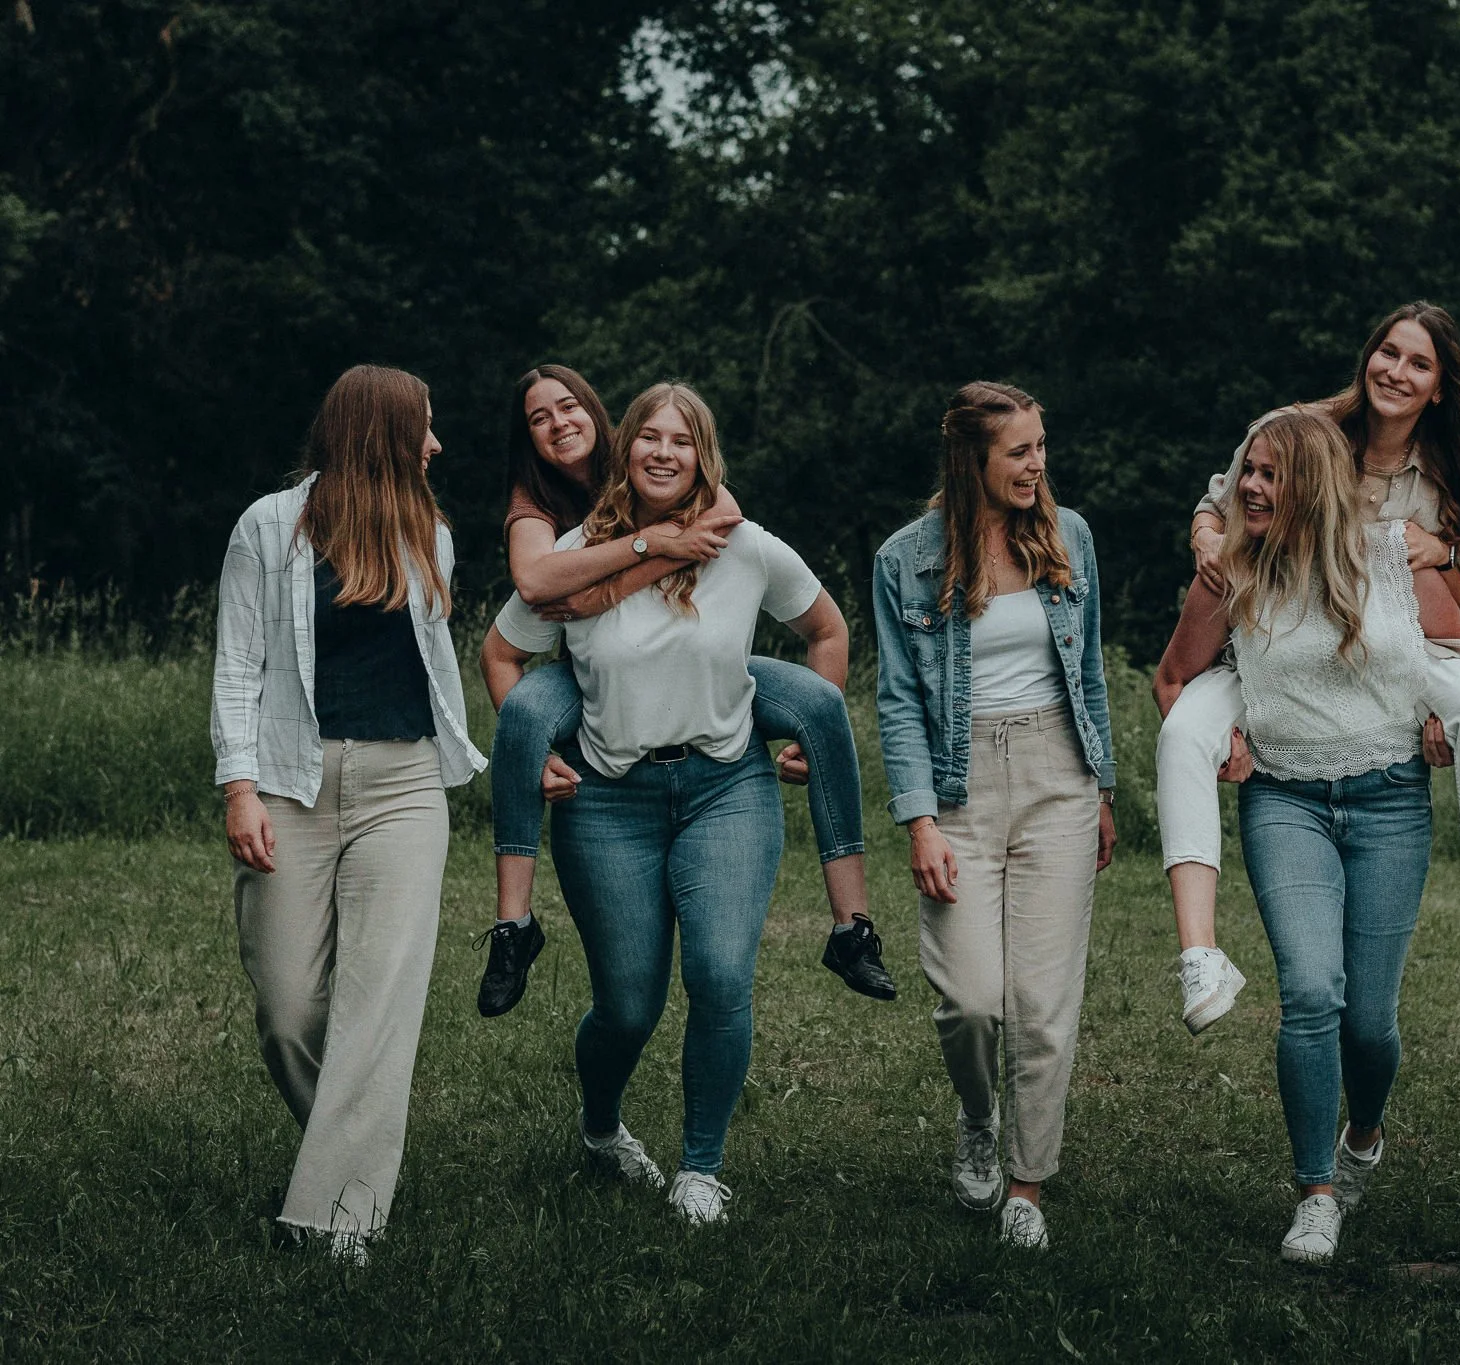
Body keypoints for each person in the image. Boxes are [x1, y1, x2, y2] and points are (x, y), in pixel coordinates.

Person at [481, 381, 851, 1225]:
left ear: (702, 456)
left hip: (727, 787)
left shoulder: (743, 544)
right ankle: (601, 1127)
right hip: (607, 801)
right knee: (627, 1006)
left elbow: (827, 630)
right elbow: (501, 649)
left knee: (720, 974)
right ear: (627, 447)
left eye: (681, 441)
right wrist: (536, 750)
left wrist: (806, 733)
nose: (663, 452)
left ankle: (701, 1167)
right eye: (650, 436)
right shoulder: (577, 548)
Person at [474, 363, 893, 1018]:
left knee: (820, 703)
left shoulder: (706, 511)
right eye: (539, 417)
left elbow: (735, 522)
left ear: (602, 418)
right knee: (526, 709)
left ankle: (852, 926)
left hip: (707, 690)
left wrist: (668, 547)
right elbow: (533, 587)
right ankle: (512, 925)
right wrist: (646, 553)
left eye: (568, 407)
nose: (559, 424)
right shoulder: (538, 510)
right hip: (591, 682)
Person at [1163, 302, 1460, 1044]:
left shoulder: (1449, 474)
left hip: (1394, 638)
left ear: (1440, 387)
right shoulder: (1302, 432)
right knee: (1184, 730)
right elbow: (1221, 505)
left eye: (1419, 363)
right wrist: (1209, 540)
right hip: (1274, 636)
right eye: (1388, 352)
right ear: (1368, 356)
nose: (1396, 371)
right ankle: (1199, 954)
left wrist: (1439, 554)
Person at [211, 364, 486, 1265]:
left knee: (378, 1001)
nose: (436, 444)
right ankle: (347, 1148)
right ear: (381, 432)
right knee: (288, 1007)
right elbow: (237, 665)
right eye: (424, 428)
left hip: (405, 784)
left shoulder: (429, 535)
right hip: (291, 783)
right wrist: (239, 787)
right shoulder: (266, 525)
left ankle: (341, 1215)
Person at [872, 381, 1117, 1250]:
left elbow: (1088, 670)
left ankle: (1026, 1184)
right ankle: (979, 1116)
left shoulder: (1068, 535)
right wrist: (919, 820)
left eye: (1041, 446)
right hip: (957, 783)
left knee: (1042, 1005)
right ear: (971, 458)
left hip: (1058, 775)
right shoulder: (905, 560)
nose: (1037, 464)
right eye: (1020, 451)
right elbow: (898, 700)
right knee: (971, 1000)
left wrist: (1103, 788)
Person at [1206, 408, 1444, 1265]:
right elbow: (1173, 678)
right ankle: (1315, 1192)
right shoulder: (1231, 569)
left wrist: (1443, 719)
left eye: (1269, 474)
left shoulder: (1389, 557)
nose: (1250, 486)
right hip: (1284, 799)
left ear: (1309, 485)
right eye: (1247, 470)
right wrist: (1223, 733)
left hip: (1390, 800)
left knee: (1369, 1023)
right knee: (1311, 990)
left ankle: (1364, 1132)